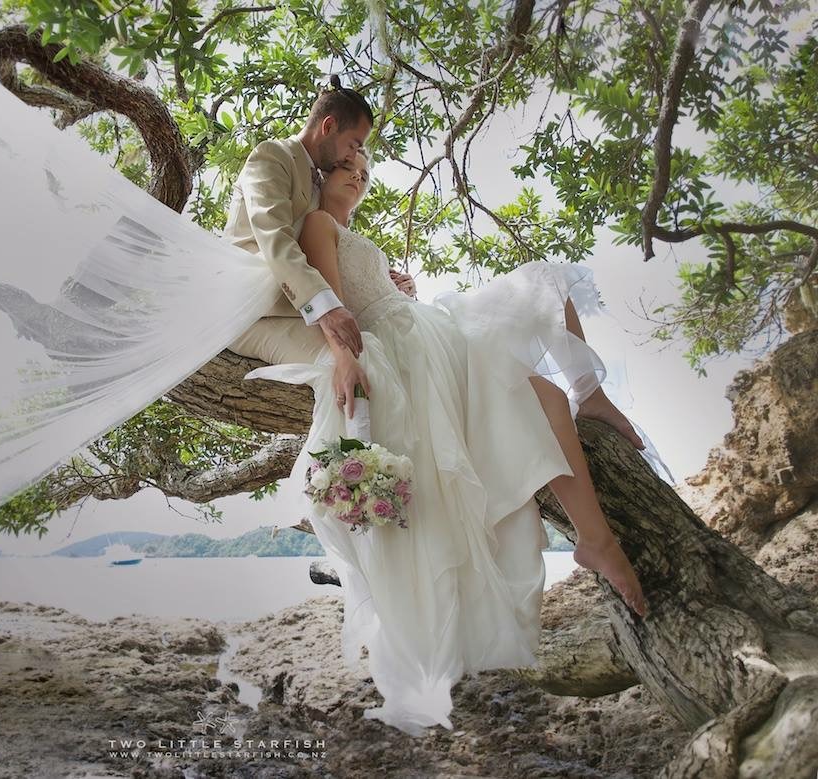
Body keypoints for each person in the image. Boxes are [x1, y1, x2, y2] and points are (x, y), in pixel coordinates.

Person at [246, 147, 656, 736]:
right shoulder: (316, 223)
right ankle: (597, 536)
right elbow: (334, 311)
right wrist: (354, 345)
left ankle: (594, 497)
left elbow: (365, 290)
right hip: (404, 345)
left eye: (365, 173)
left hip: (425, 330)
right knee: (533, 391)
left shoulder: (354, 234)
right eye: (347, 170)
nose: (359, 178)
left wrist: (397, 288)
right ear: (320, 180)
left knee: (542, 332)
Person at [223, 76, 371, 386]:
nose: (351, 156)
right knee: (342, 368)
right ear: (328, 126)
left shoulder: (323, 186)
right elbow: (275, 239)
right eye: (353, 145)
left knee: (371, 356)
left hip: (292, 311)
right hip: (252, 312)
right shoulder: (272, 156)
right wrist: (327, 310)